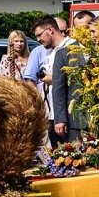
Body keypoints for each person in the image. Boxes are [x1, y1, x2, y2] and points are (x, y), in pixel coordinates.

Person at [31, 16, 71, 146]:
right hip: (52, 113)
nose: (38, 39)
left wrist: (53, 78)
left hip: (66, 115)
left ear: (50, 30)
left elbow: (76, 78)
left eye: (39, 35)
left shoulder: (70, 47)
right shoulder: (50, 51)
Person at [50, 16, 87, 143]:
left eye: (87, 28)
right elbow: (58, 88)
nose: (83, 32)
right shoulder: (63, 53)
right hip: (76, 120)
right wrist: (60, 119)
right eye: (78, 28)